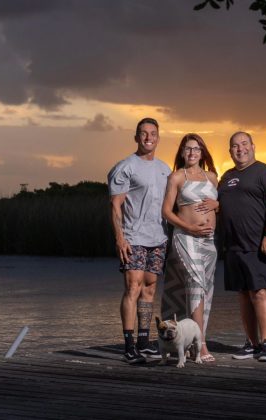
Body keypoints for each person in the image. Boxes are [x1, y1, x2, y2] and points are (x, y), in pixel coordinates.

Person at [107, 117, 171, 364]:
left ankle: (145, 342)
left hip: (159, 237)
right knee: (133, 288)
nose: (148, 138)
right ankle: (129, 345)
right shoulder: (126, 167)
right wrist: (120, 238)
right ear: (136, 137)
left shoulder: (165, 169)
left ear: (158, 137)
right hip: (133, 237)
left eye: (153, 134)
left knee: (150, 289)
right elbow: (115, 206)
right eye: (143, 134)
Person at [218, 131, 266, 362]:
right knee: (243, 294)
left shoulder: (265, 172)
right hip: (233, 246)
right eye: (235, 145)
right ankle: (251, 342)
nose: (240, 149)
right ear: (230, 151)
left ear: (253, 146)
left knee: (259, 292)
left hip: (257, 244)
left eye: (244, 144)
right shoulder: (226, 176)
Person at [161, 133, 218, 362]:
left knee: (205, 289)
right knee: (195, 284)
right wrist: (190, 228)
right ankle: (201, 346)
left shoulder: (212, 177)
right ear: (182, 153)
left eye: (196, 149)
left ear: (202, 152)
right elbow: (166, 211)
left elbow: (217, 207)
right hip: (186, 237)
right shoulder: (176, 177)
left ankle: (186, 338)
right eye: (187, 149)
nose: (192, 153)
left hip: (209, 242)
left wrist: (218, 204)